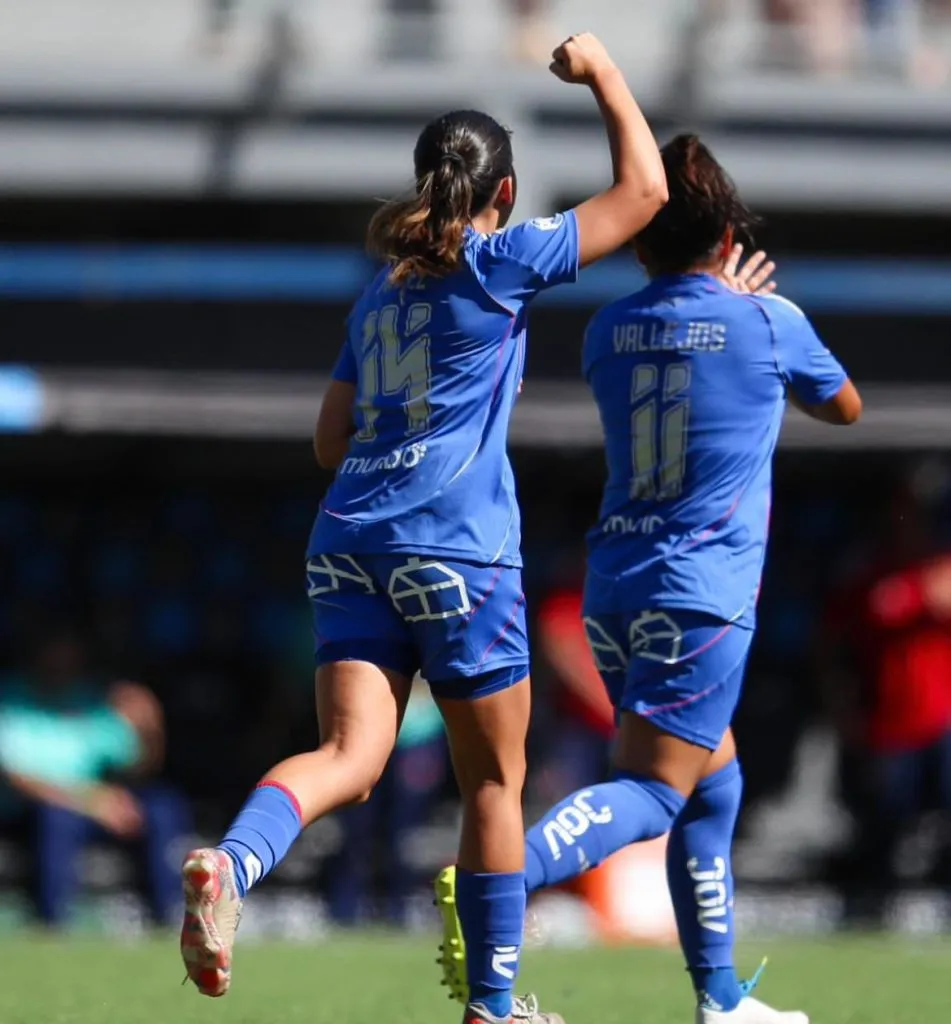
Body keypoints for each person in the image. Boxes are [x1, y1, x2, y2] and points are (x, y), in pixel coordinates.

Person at [179, 32, 668, 1024]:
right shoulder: (504, 261)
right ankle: (492, 1005)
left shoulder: (378, 296)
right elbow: (645, 195)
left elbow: (328, 440)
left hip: (349, 536)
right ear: (504, 192)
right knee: (495, 779)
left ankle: (230, 864)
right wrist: (605, 75)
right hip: (457, 548)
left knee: (350, 759)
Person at [434, 134, 862, 1024]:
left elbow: (678, 347)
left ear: (640, 241)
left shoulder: (605, 331)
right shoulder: (766, 321)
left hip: (616, 583)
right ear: (728, 236)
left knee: (714, 781)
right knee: (653, 789)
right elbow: (842, 406)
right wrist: (750, 307)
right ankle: (499, 876)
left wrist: (711, 304)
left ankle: (720, 1000)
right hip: (701, 592)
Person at [0, 629, 188, 927]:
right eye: (54, 650)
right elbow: (17, 779)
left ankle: (172, 920)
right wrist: (91, 802)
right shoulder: (10, 698)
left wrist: (150, 729)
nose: (61, 660)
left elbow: (135, 771)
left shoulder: (93, 697)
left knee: (163, 806)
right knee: (55, 818)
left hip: (99, 806)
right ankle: (53, 925)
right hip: (38, 809)